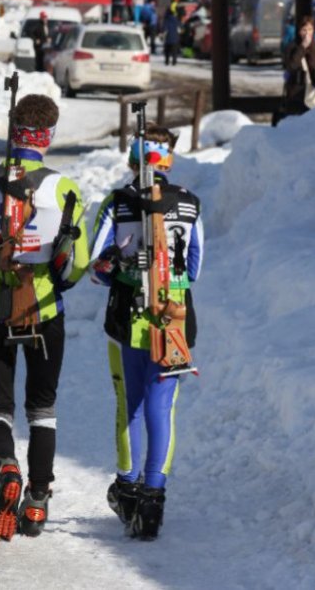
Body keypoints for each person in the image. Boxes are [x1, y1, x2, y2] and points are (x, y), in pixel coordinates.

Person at [0, 93, 90, 542]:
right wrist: (56, 273)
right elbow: (78, 265)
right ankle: (36, 499)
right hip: (43, 311)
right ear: (46, 137)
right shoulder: (64, 190)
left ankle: (5, 465)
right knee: (42, 408)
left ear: (13, 132)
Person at [88, 125, 204, 541]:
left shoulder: (117, 203)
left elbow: (95, 265)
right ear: (168, 159)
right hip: (173, 317)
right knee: (162, 410)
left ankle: (127, 486)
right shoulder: (189, 204)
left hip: (125, 320)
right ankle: (154, 496)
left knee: (129, 406)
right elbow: (193, 268)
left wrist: (121, 266)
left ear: (133, 160)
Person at [275, 16, 315, 126]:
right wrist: (302, 47)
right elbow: (291, 66)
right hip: (296, 97)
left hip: (314, 96)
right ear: (299, 31)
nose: (307, 33)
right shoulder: (292, 48)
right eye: (304, 29)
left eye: (310, 29)